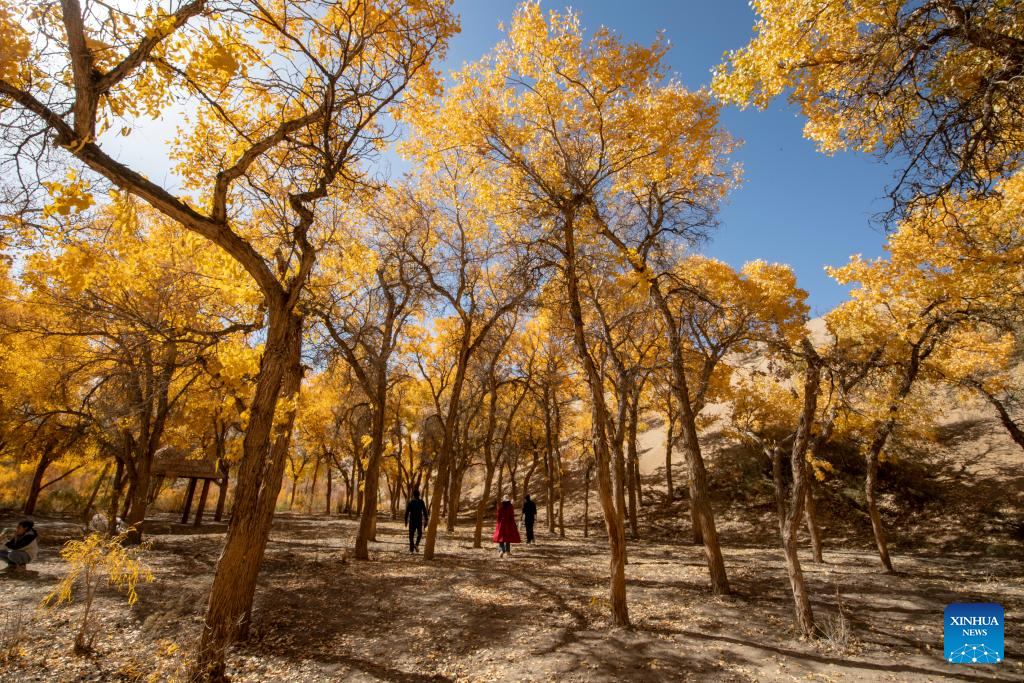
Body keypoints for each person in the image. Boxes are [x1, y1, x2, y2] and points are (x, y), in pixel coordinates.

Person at [404, 489, 428, 553]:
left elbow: (406, 512)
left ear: (413, 495)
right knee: (419, 534)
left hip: (412, 521)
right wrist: (426, 520)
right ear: (419, 495)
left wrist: (406, 521)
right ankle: (416, 544)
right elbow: (425, 512)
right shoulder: (421, 502)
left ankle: (411, 550)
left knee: (411, 535)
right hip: (419, 521)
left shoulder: (411, 502)